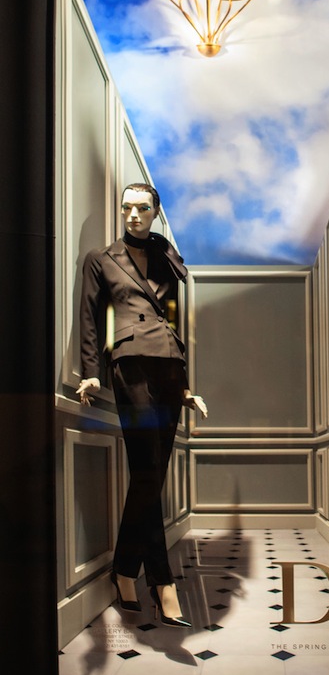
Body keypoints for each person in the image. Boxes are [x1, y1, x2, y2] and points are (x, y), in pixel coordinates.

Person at [77, 183, 207, 627]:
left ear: (155, 212)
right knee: (148, 473)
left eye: (142, 208)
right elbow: (90, 318)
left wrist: (185, 386)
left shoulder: (166, 258)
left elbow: (173, 319)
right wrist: (91, 370)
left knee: (151, 476)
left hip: (170, 367)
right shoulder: (101, 258)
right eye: (127, 207)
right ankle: (163, 582)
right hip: (130, 364)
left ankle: (124, 569)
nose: (133, 215)